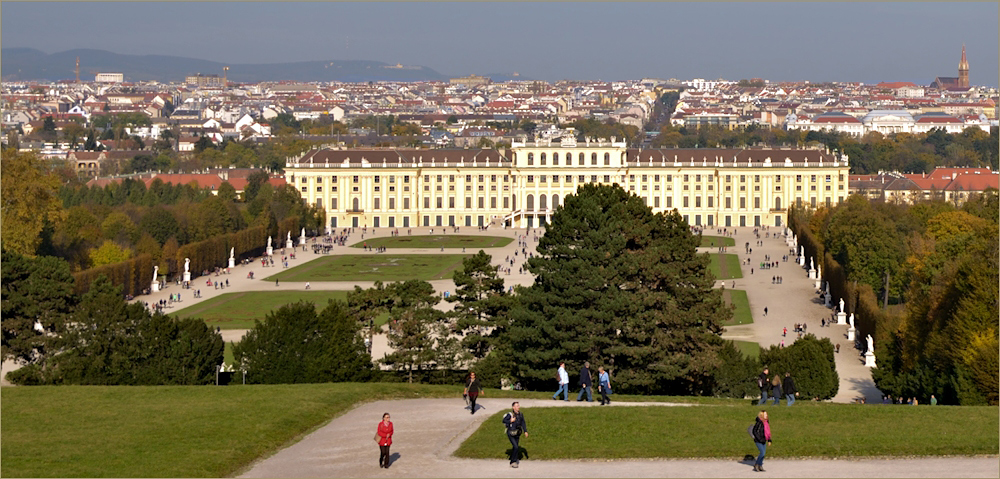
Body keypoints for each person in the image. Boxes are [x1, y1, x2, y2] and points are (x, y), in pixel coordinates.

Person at [502, 402, 528, 468]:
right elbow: (504, 421)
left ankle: (514, 459)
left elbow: (523, 423)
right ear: (513, 407)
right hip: (511, 433)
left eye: (518, 405)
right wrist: (510, 421)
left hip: (517, 433)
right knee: (516, 447)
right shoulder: (510, 414)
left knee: (515, 447)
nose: (518, 407)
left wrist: (525, 431)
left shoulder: (520, 414)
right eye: (516, 406)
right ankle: (513, 461)